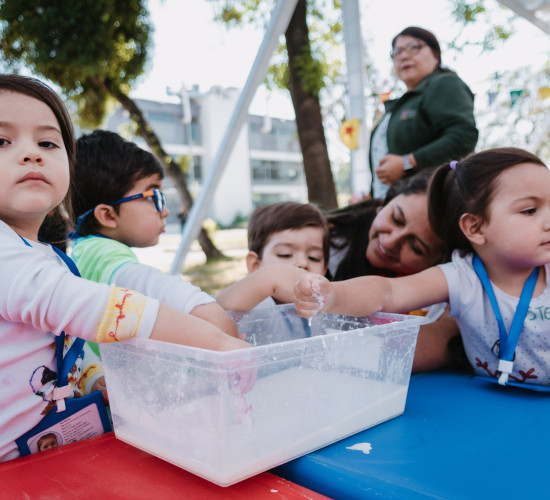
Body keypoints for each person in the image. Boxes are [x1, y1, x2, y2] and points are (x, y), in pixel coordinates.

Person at [0, 74, 250, 463]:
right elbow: (96, 309)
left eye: (48, 142)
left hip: (39, 458)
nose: (32, 153)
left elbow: (59, 341)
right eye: (2, 140)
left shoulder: (43, 254)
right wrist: (219, 344)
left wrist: (94, 379)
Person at [294, 148, 550, 389]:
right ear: (475, 228)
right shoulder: (463, 277)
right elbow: (389, 291)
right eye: (530, 210)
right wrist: (333, 294)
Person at [70, 130, 238, 337]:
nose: (164, 210)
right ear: (108, 215)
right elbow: (209, 317)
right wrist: (219, 326)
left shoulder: (85, 250)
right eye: (152, 195)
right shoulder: (101, 255)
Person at [370, 26, 478, 198]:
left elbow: (463, 136)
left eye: (414, 47)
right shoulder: (399, 105)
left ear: (435, 55)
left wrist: (408, 162)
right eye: (397, 52)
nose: (404, 56)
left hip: (430, 200)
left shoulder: (444, 83)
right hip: (394, 202)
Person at [216, 201, 329, 311]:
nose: (303, 263)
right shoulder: (258, 305)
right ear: (255, 265)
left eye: (314, 257)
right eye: (285, 254)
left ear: (325, 268)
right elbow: (218, 309)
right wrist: (270, 277)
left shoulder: (326, 307)